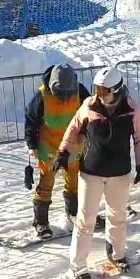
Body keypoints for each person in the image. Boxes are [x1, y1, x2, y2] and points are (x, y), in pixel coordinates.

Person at [58, 66, 140, 279]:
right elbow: (73, 128)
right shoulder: (89, 106)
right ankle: (78, 266)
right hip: (91, 172)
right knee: (85, 218)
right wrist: (64, 152)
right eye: (97, 89)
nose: (99, 94)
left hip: (119, 173)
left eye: (103, 90)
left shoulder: (132, 110)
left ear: (116, 90)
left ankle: (117, 254)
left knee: (117, 216)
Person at [24, 65, 89, 239]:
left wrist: (88, 135)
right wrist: (32, 145)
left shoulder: (81, 92)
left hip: (73, 146)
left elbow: (90, 115)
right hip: (49, 146)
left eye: (69, 93)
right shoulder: (41, 97)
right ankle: (41, 223)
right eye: (60, 92)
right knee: (46, 182)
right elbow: (31, 121)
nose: (65, 97)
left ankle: (73, 215)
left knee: (74, 181)